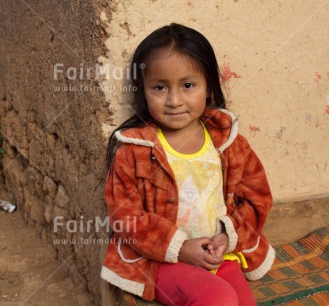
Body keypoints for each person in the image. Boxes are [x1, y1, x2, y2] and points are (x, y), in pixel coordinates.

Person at [101, 23, 275, 306]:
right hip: (160, 262)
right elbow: (124, 215)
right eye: (159, 87)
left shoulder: (230, 144)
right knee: (218, 299)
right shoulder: (135, 151)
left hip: (218, 255)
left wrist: (225, 238)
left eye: (188, 85)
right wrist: (179, 247)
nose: (174, 100)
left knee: (242, 303)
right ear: (142, 91)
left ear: (208, 86)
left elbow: (258, 199)